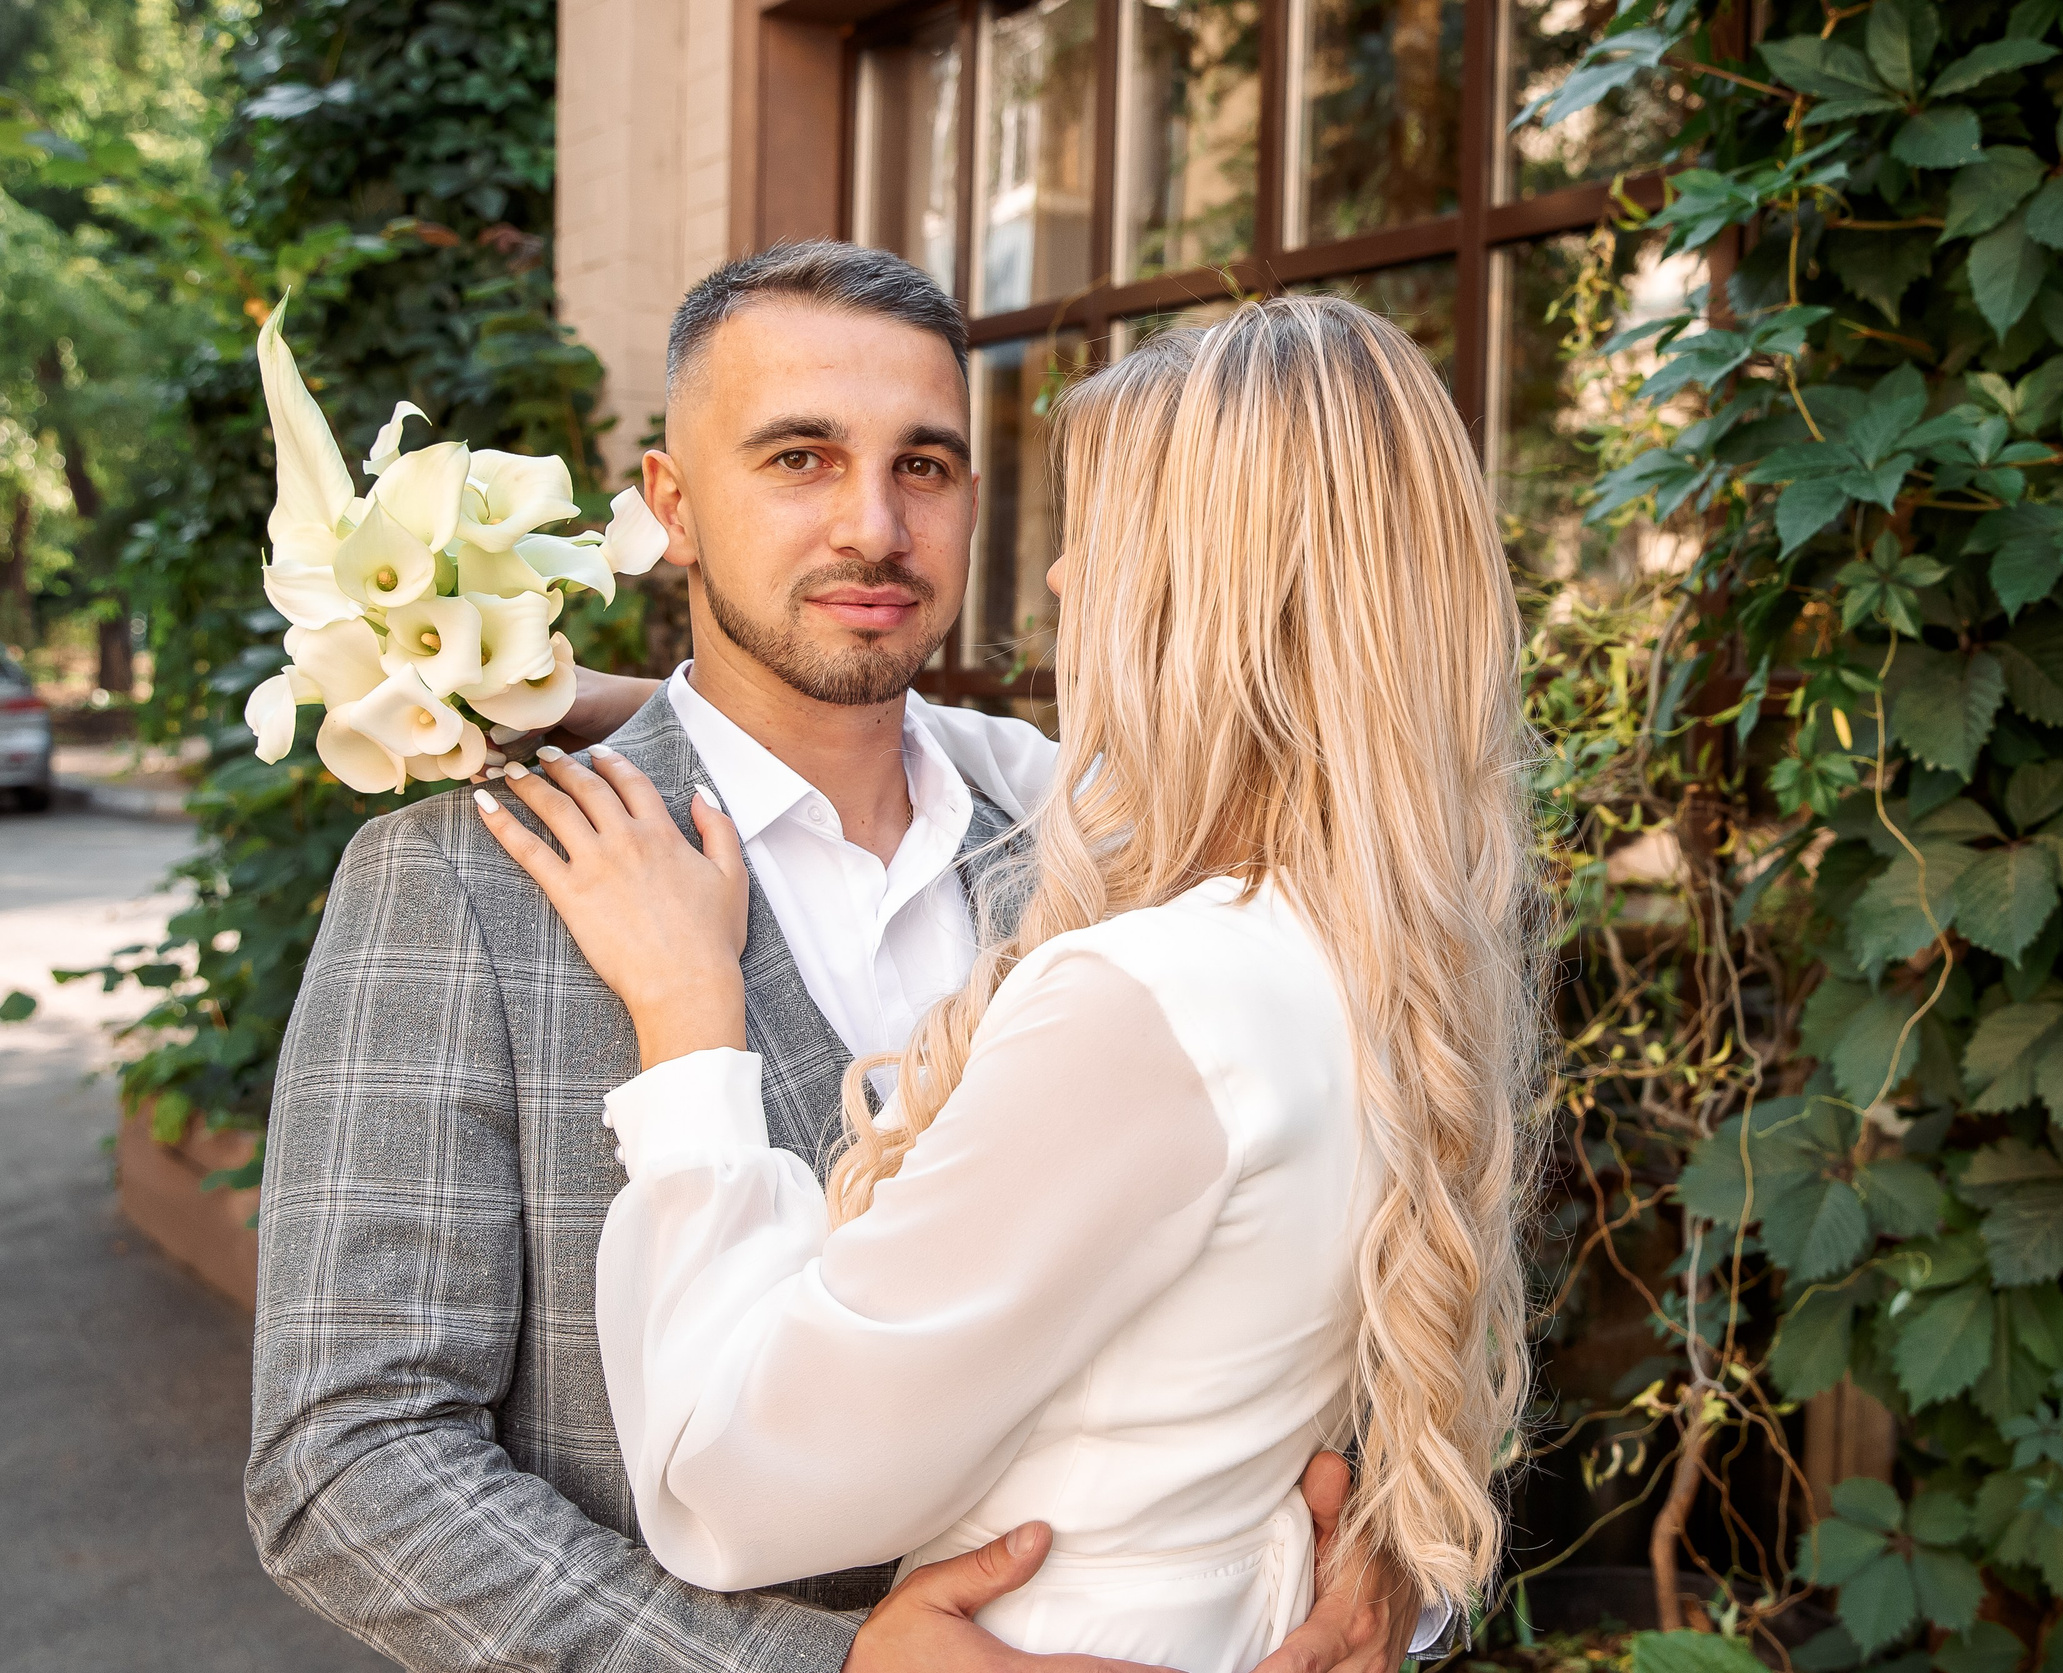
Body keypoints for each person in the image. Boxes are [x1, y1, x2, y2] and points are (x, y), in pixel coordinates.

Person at [247, 243, 1429, 1672]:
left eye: (925, 466)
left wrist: (1375, 1533)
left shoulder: (1108, 849)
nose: (873, 525)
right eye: (800, 458)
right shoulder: (460, 882)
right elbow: (348, 1459)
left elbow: (1287, 1256)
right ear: (671, 505)